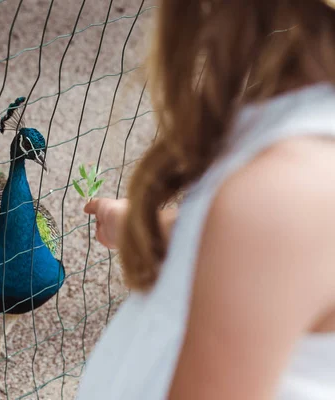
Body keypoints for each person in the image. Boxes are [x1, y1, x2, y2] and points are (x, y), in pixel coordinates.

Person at [76, 1, 335, 399]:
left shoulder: (285, 191)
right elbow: (256, 257)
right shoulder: (291, 149)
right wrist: (148, 229)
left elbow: (270, 232)